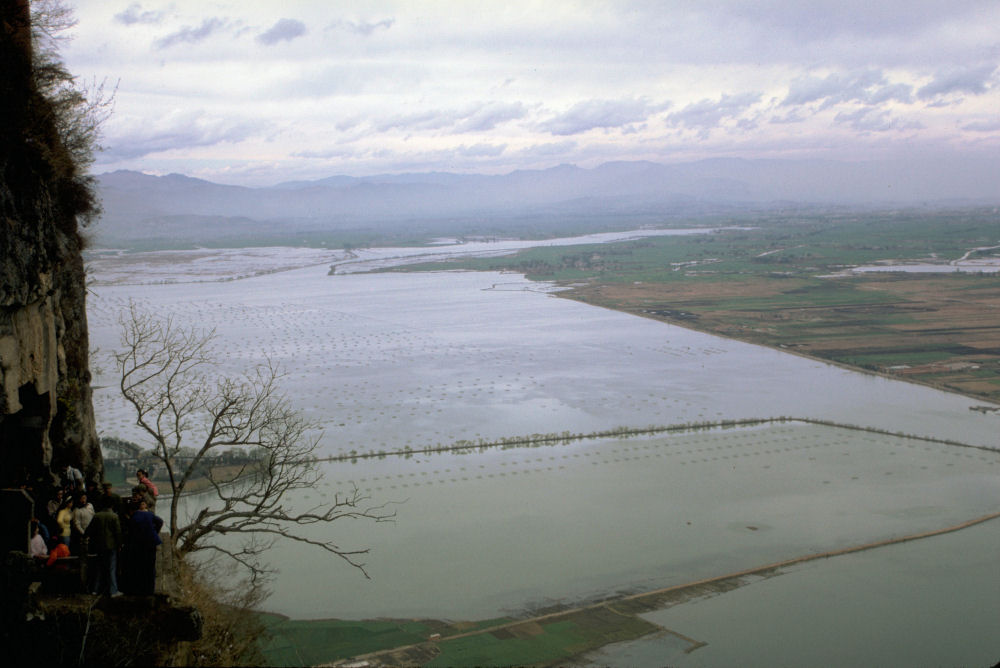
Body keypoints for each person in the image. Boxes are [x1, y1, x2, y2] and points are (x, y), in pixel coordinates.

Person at [124, 500, 162, 595]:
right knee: (151, 566)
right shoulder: (149, 514)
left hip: (141, 545)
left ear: (131, 511)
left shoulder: (134, 518)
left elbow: (131, 533)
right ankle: (150, 589)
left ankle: (141, 589)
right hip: (152, 542)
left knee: (141, 566)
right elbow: (160, 521)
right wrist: (155, 531)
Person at [86, 505, 122, 597]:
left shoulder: (97, 516)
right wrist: (119, 544)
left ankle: (95, 589)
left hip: (99, 546)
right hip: (111, 546)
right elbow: (118, 532)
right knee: (111, 568)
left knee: (99, 568)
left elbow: (89, 529)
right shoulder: (114, 516)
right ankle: (113, 591)